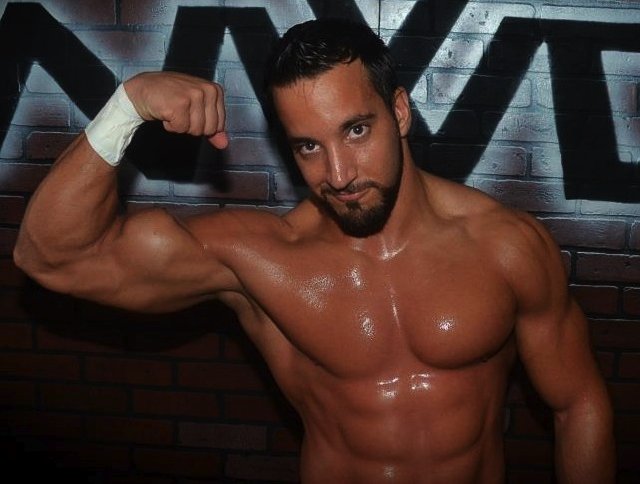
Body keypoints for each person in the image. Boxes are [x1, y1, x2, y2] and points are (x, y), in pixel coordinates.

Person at [14, 18, 615, 483]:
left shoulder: (505, 247)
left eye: (356, 130)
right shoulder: (260, 260)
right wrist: (128, 106)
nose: (338, 174)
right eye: (308, 146)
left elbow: (578, 403)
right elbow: (51, 257)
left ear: (399, 112)